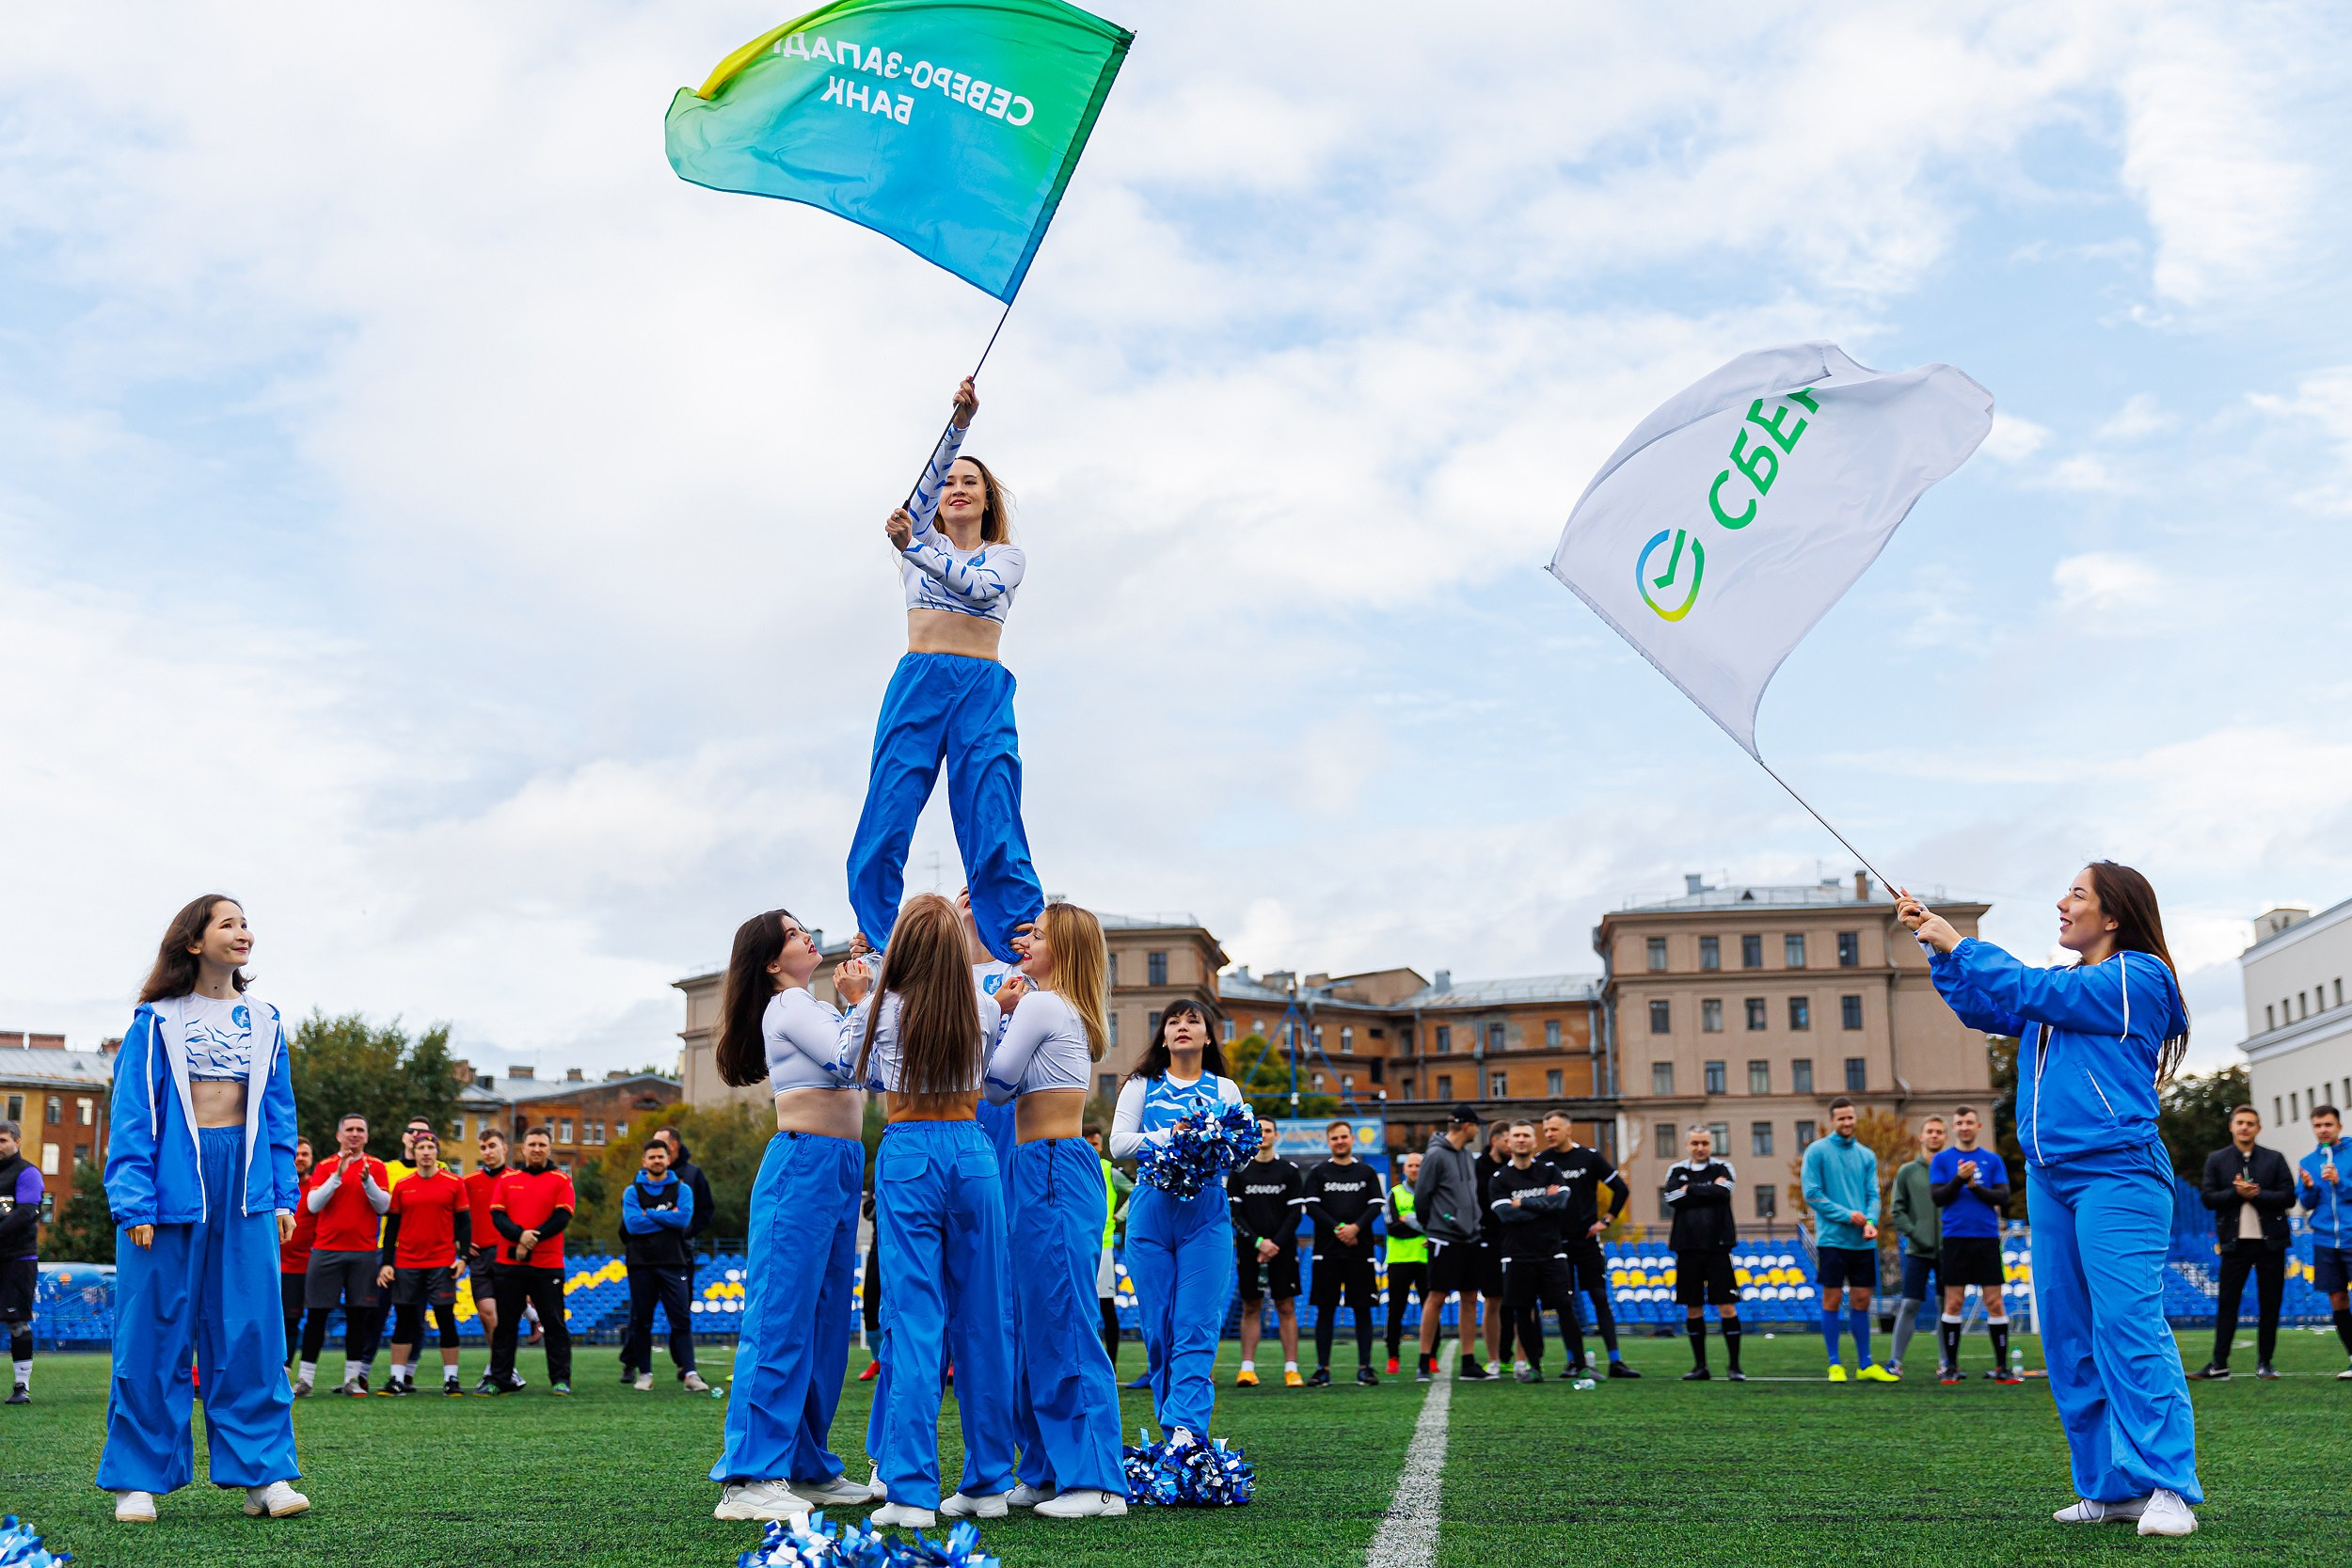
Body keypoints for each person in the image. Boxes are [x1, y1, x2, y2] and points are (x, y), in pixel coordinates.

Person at [1901, 863, 2201, 1536]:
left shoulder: (2137, 975)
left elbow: (2022, 985)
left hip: (2118, 1173)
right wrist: (1935, 946)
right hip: (2050, 1177)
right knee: (2067, 1337)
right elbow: (1985, 1005)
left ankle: (2169, 1487)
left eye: (2077, 894)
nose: (2061, 903)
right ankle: (2109, 1488)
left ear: (2114, 914)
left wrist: (1960, 941)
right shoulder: (2065, 988)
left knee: (2127, 1325)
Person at [98, 895, 307, 1522]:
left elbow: (277, 1115)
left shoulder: (265, 1019)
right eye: (228, 922)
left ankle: (264, 1475)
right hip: (169, 1187)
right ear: (194, 940)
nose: (242, 931)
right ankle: (137, 1479)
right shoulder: (156, 1020)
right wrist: (133, 1198)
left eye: (245, 923)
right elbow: (133, 1112)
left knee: (252, 1329)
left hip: (242, 1188)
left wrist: (281, 1193)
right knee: (153, 1328)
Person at [846, 378, 1042, 966]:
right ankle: (882, 938)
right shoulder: (919, 534)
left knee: (993, 809)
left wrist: (914, 548)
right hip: (920, 683)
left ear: (988, 501)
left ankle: (1017, 941)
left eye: (971, 483)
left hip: (982, 688)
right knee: (890, 805)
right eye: (951, 482)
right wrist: (958, 425)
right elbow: (921, 491)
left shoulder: (1005, 557)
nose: (957, 489)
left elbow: (979, 589)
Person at [838, 894, 1018, 1528]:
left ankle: (911, 1489)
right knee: (984, 1317)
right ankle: (990, 1480)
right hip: (973, 1153)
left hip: (909, 1150)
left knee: (912, 1320)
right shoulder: (985, 1004)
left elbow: (846, 1069)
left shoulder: (881, 1007)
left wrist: (859, 999)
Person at [983, 901, 1128, 1518]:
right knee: (1034, 1318)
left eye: (1038, 934)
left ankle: (1097, 1480)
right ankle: (1043, 1467)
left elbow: (994, 1082)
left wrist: (995, 1012)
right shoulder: (1058, 1005)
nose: (1025, 940)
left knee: (1063, 1317)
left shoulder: (1041, 1003)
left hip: (1048, 1165)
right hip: (1040, 1165)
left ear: (1062, 948)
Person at [1110, 997, 1245, 1447]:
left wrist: (1210, 1146)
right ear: (1163, 1036)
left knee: (1195, 1324)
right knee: (1159, 1328)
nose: (1183, 1027)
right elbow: (1118, 1144)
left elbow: (1236, 1152)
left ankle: (1186, 1431)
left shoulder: (1225, 1089)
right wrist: (1176, 1136)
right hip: (1151, 1210)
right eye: (1173, 1021)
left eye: (1194, 1021)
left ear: (1208, 1036)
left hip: (1206, 1212)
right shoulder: (1141, 1085)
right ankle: (1173, 1435)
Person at [2191, 1105, 2292, 1382]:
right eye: (2240, 1122)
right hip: (2235, 1245)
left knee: (2270, 1303)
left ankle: (2265, 1363)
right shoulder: (2217, 1159)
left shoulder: (2274, 1158)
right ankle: (2219, 1364)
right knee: (2228, 1303)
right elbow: (2208, 1198)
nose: (2245, 1127)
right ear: (2231, 1126)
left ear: (2259, 1128)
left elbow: (2288, 1197)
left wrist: (2256, 1194)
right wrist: (2236, 1194)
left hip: (2271, 1243)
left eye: (2250, 1123)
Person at [1801, 1098, 1895, 1383]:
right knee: (1831, 1299)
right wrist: (1847, 1216)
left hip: (1862, 1241)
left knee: (1862, 1299)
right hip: (1831, 1240)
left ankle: (1865, 1364)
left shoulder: (1866, 1155)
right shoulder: (1817, 1151)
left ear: (1855, 1120)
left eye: (1850, 1118)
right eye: (1841, 1118)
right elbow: (1812, 1193)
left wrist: (1870, 1222)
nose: (1846, 1123)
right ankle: (1835, 1364)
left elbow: (1873, 1195)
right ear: (1832, 1121)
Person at [297, 1114, 390, 1398]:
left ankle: (352, 1379)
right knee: (317, 1315)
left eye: (360, 1130)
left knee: (358, 1316)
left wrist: (367, 1182)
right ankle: (305, 1380)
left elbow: (384, 1206)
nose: (354, 1134)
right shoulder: (326, 1166)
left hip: (363, 1252)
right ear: (339, 1136)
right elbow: (313, 1205)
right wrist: (337, 1176)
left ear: (366, 1136)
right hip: (326, 1250)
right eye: (349, 1129)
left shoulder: (376, 1167)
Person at [1539, 1111, 1635, 1379]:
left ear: (1568, 1130)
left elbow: (1621, 1188)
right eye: (1546, 1130)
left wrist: (1606, 1219)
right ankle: (1573, 1361)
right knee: (1564, 1303)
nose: (1548, 1134)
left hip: (1587, 1241)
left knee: (1599, 1298)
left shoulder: (1589, 1157)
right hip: (1557, 1245)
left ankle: (1616, 1361)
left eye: (1554, 1129)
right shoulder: (1542, 1163)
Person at [1487, 1121, 1582, 1383]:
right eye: (1516, 1135)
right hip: (1517, 1255)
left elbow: (1561, 1202)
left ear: (1534, 1142)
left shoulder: (1550, 1171)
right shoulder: (1500, 1178)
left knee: (1564, 1306)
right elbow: (1505, 1214)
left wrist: (1524, 1203)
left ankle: (1581, 1363)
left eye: (1526, 1135)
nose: (1520, 1140)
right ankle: (1535, 1366)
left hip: (1551, 1252)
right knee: (1523, 1311)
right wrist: (1543, 1204)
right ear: (1509, 1142)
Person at [377, 1131, 469, 1396]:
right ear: (414, 1153)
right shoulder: (404, 1186)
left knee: (445, 1318)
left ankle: (451, 1379)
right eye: (422, 1148)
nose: (426, 1152)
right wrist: (387, 1263)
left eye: (431, 1147)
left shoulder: (453, 1183)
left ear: (436, 1152)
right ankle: (396, 1379)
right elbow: (391, 1228)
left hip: (442, 1263)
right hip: (407, 1262)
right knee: (404, 1320)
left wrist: (463, 1259)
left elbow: (464, 1223)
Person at [486, 1127, 576, 1396]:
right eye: (532, 1144)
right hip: (509, 1265)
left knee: (555, 1323)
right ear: (522, 1149)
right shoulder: (507, 1180)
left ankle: (561, 1380)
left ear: (549, 1149)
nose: (537, 1149)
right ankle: (500, 1379)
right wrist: (520, 1236)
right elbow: (498, 1218)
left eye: (542, 1144)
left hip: (547, 1266)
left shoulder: (561, 1180)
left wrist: (530, 1240)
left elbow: (562, 1218)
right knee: (505, 1325)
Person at [1932, 1105, 2018, 1385]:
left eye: (1970, 1122)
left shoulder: (1991, 1160)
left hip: (1986, 1238)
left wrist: (1973, 1186)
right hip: (1955, 1238)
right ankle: (1951, 1367)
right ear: (1953, 1127)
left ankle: (2002, 1367)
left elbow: (2003, 1198)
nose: (1965, 1127)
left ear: (1978, 1126)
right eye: (1960, 1123)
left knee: (1995, 1302)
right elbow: (1939, 1197)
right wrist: (1959, 1178)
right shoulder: (1942, 1160)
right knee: (1953, 1302)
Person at [621, 1138, 708, 1395]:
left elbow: (683, 1219)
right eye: (652, 1157)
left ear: (668, 1159)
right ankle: (645, 1374)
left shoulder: (682, 1189)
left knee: (680, 1320)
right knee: (642, 1322)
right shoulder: (632, 1192)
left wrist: (650, 1214)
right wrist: (666, 1217)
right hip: (641, 1264)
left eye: (661, 1156)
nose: (657, 1161)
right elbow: (633, 1225)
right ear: (644, 1161)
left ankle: (689, 1373)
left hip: (674, 1263)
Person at [1303, 1120, 1386, 1386]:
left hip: (1360, 1252)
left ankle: (1365, 1367)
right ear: (1328, 1142)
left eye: (1343, 1137)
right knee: (1325, 1310)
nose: (1339, 1141)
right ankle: (1322, 1369)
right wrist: (1340, 1229)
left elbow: (1376, 1205)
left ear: (1352, 1139)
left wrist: (1356, 1229)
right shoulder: (1319, 1173)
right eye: (1334, 1138)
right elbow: (1313, 1207)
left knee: (1362, 1309)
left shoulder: (1366, 1172)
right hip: (1326, 1253)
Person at [1662, 1126, 1743, 1381]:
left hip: (1718, 1248)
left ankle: (1734, 1367)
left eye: (1705, 1143)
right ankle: (1700, 1367)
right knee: (1693, 1308)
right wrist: (1706, 1190)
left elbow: (1724, 1192)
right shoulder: (1676, 1170)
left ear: (1711, 1145)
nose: (1700, 1148)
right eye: (1695, 1143)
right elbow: (1673, 1197)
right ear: (1687, 1145)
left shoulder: (1723, 1168)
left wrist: (1691, 1189)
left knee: (1727, 1307)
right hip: (1687, 1248)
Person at [1412, 1107, 1486, 1382]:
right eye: (1477, 1126)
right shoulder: (1435, 1156)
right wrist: (1434, 1225)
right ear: (1467, 1126)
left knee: (1469, 1298)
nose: (1478, 1131)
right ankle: (1424, 1360)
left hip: (1471, 1237)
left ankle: (1468, 1361)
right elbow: (1422, 1197)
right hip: (1444, 1238)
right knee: (1437, 1297)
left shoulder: (1467, 1156)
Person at [1229, 1117, 1304, 1388]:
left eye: (1268, 1130)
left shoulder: (1289, 1171)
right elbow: (1234, 1214)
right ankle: (1247, 1369)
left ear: (1276, 1135)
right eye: (1258, 1130)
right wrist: (1259, 1242)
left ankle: (1291, 1369)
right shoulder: (1240, 1171)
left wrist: (1274, 1244)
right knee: (1251, 1306)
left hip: (1282, 1251)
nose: (1263, 1134)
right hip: (1251, 1251)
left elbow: (1295, 1214)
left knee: (1286, 1306)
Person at [2297, 1104, 2352, 1380]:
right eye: (2318, 1126)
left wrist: (2340, 1182)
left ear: (2339, 1126)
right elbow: (2306, 1204)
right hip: (2324, 1241)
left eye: (2328, 1124)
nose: (2323, 1130)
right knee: (2338, 1298)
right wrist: (2307, 1188)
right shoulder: (2307, 1162)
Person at [1887, 1116, 1944, 1379]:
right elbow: (1897, 1210)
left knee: (1948, 1306)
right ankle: (1895, 1361)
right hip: (1917, 1251)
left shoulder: (1952, 1169)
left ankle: (1947, 1362)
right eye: (1929, 1131)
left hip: (1948, 1250)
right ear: (1921, 1137)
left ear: (1945, 1137)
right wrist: (1915, 1234)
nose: (1934, 1136)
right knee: (1909, 1304)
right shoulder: (1907, 1172)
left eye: (1939, 1132)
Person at [463, 1128, 511, 1388]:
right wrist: (460, 1241)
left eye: (492, 1146)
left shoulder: (518, 1179)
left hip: (510, 1256)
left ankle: (500, 1368)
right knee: (486, 1313)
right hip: (479, 1256)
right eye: (483, 1148)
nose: (488, 1152)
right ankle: (505, 1368)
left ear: (504, 1148)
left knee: (502, 1315)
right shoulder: (468, 1182)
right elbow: (453, 1215)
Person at [1472, 1120, 1520, 1375]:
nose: (1513, 1145)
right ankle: (1493, 1360)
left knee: (1519, 1298)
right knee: (1492, 1299)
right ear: (1495, 1141)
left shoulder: (1519, 1168)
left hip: (1517, 1239)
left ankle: (1520, 1359)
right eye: (1508, 1140)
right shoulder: (1477, 1168)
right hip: (1488, 1240)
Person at [1, 1120, 41, 1405]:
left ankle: (21, 1387)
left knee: (16, 1322)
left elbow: (26, 1212)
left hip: (17, 1260)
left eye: (2, 1140)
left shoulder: (27, 1172)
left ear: (16, 1141)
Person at [1086, 1127, 1131, 1370]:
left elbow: (1137, 1191)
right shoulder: (1071, 1166)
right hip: (1076, 1247)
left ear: (1101, 1147)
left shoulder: (1109, 1170)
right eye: (1088, 1143)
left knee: (1105, 1307)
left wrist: (1118, 1216)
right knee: (1081, 1306)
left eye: (1096, 1144)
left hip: (1103, 1248)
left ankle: (1110, 1366)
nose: (1093, 1148)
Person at [1384, 1150, 1427, 1376]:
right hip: (1399, 1260)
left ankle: (1430, 1358)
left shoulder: (1431, 1193)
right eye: (1410, 1165)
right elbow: (1393, 1228)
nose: (1414, 1169)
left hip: (1425, 1260)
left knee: (1429, 1309)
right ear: (1404, 1169)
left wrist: (1408, 1219)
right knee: (1396, 1310)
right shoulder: (1395, 1194)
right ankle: (1393, 1357)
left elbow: (1439, 1223)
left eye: (1418, 1165)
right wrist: (1422, 1229)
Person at [276, 1138, 317, 1376]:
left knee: (291, 1320)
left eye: (305, 1154)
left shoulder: (316, 1188)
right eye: (297, 1153)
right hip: (269, 1264)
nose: (300, 1158)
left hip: (300, 1267)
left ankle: (285, 1367)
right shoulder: (275, 1184)